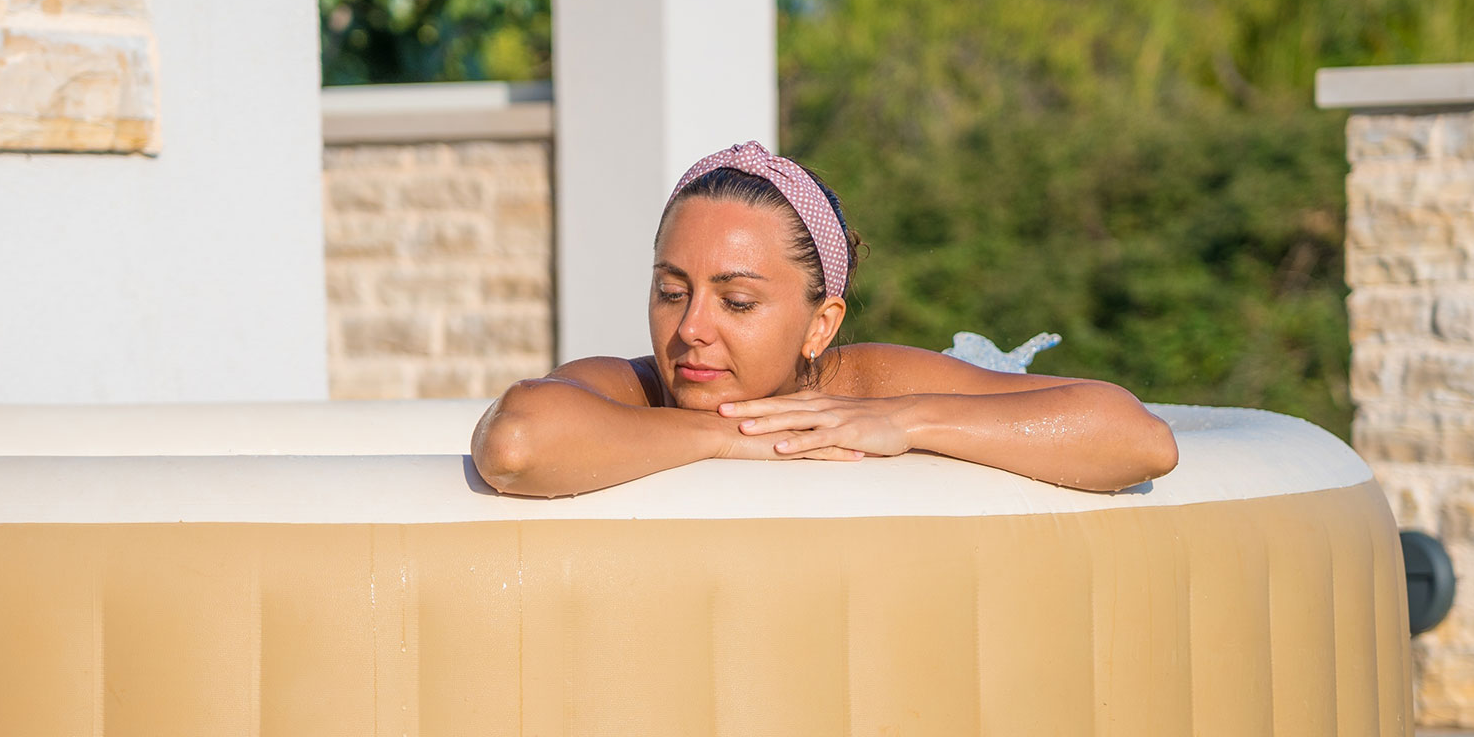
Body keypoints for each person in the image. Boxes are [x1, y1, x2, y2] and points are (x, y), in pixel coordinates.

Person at [471, 141, 1178, 498]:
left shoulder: (867, 386)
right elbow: (518, 442)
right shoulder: (634, 391)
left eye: (737, 301)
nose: (691, 328)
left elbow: (1138, 439)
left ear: (820, 324)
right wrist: (728, 438)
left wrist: (910, 423)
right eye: (671, 290)